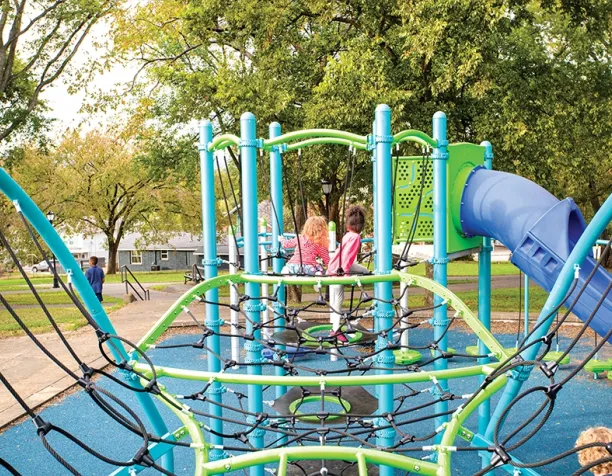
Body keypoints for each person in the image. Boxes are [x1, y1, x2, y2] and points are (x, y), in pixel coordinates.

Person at [327, 205, 368, 341]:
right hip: (339, 270)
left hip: (333, 267)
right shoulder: (356, 237)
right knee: (337, 300)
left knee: (365, 271)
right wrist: (346, 274)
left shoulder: (347, 235)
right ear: (361, 225)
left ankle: (334, 327)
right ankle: (335, 330)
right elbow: (347, 257)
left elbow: (346, 257)